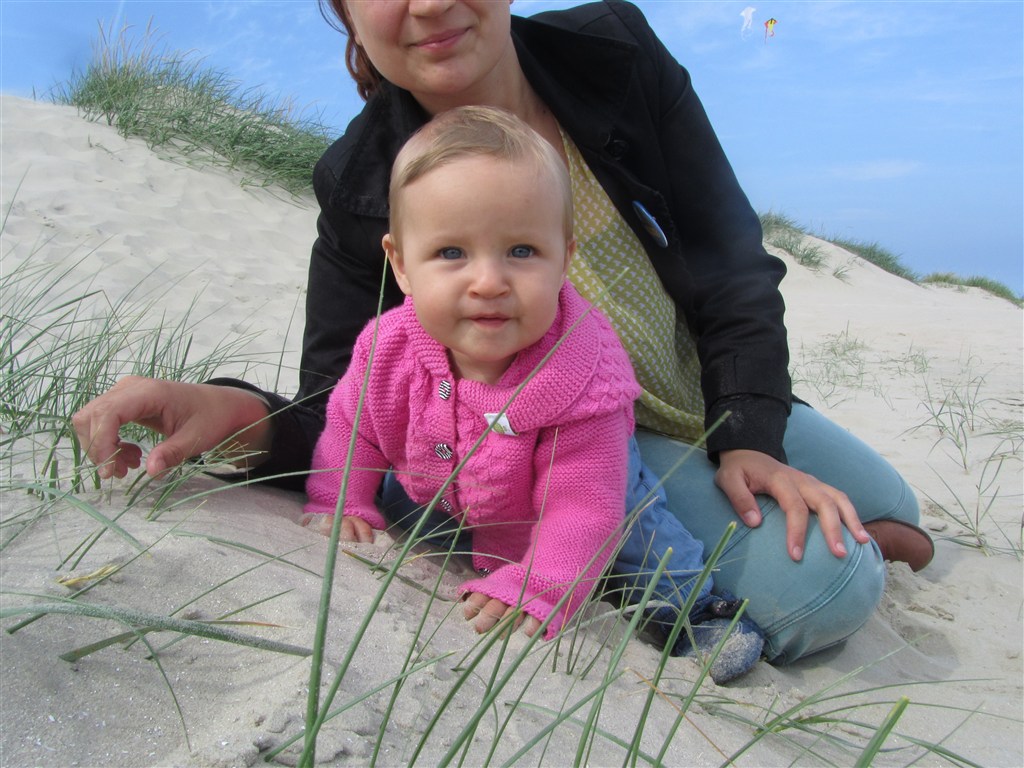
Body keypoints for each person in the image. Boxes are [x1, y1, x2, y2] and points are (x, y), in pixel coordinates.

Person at [71, 0, 933, 667]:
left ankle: (795, 497)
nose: (429, 5)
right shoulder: (360, 181)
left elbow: (733, 263)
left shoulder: (615, 50)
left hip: (697, 381)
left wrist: (748, 434)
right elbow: (351, 403)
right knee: (828, 590)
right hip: (580, 432)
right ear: (347, 15)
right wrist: (233, 412)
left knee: (893, 505)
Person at [302, 105, 764, 683]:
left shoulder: (582, 374)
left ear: (564, 258)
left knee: (634, 529)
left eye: (521, 251)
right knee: (399, 497)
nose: (489, 282)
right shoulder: (387, 346)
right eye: (451, 253)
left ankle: (696, 608)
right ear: (400, 264)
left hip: (583, 486)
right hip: (449, 489)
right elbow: (353, 429)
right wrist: (340, 499)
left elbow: (583, 506)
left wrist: (539, 584)